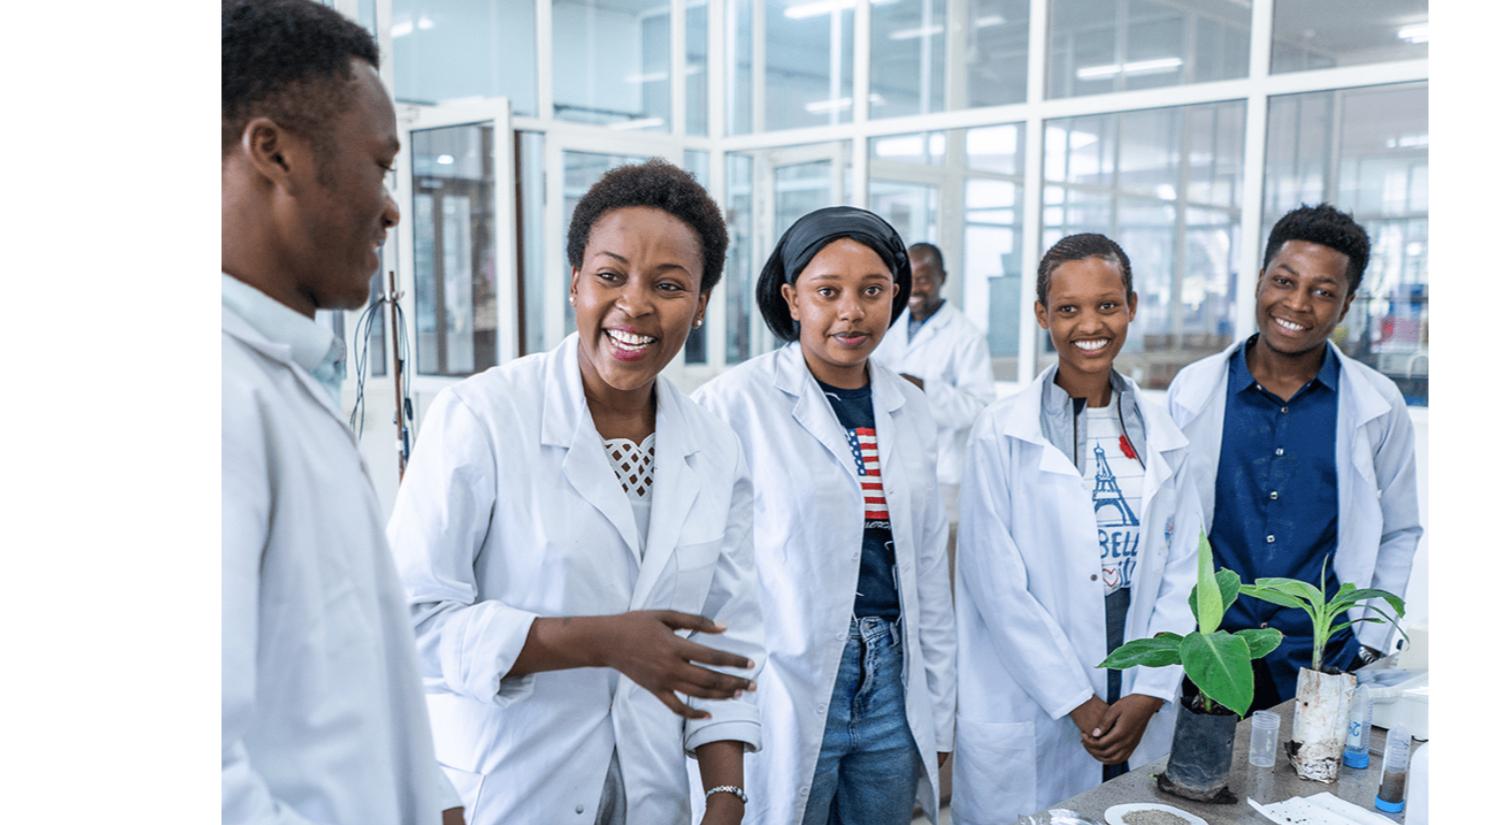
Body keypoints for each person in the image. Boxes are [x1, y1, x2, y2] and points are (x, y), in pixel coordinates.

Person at [387, 160, 763, 825]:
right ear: (575, 284)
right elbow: (409, 622)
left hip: (653, 793)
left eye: (669, 285)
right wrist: (601, 640)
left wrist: (725, 799)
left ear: (701, 304)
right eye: (610, 275)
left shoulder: (714, 444)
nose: (636, 304)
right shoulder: (482, 417)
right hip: (508, 789)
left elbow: (728, 639)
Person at [220, 1, 462, 822]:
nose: (392, 209)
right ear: (274, 152)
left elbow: (333, 689)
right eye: (381, 166)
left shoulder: (281, 377)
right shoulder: (215, 393)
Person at [692, 207, 956, 825]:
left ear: (897, 294)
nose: (851, 312)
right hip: (786, 671)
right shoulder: (733, 406)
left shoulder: (910, 408)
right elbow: (706, 574)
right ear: (791, 299)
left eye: (872, 291)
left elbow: (925, 570)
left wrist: (939, 713)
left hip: (893, 673)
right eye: (827, 291)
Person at [950, 234, 1201, 824]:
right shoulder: (999, 432)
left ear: (1132, 307)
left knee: (1128, 807)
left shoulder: (1166, 433)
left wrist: (1147, 693)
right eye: (1068, 309)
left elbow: (1185, 570)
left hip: (1136, 659)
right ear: (1043, 315)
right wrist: (1077, 701)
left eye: (1107, 305)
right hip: (1037, 676)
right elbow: (996, 586)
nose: (1090, 324)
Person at [1166, 203, 1422, 710]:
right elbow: (1167, 529)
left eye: (1323, 292)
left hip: (1325, 659)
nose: (1298, 304)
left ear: (1346, 306)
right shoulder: (1192, 391)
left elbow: (1400, 529)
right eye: (1285, 281)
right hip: (1211, 653)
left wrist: (1369, 639)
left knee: (1311, 789)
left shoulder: (1377, 403)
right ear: (1261, 280)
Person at [871, 242, 995, 527]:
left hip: (943, 474)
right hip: (891, 469)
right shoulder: (888, 325)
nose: (915, 289)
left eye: (924, 279)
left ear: (943, 279)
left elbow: (980, 408)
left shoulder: (966, 336)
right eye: (909, 280)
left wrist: (924, 388)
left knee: (941, 559)